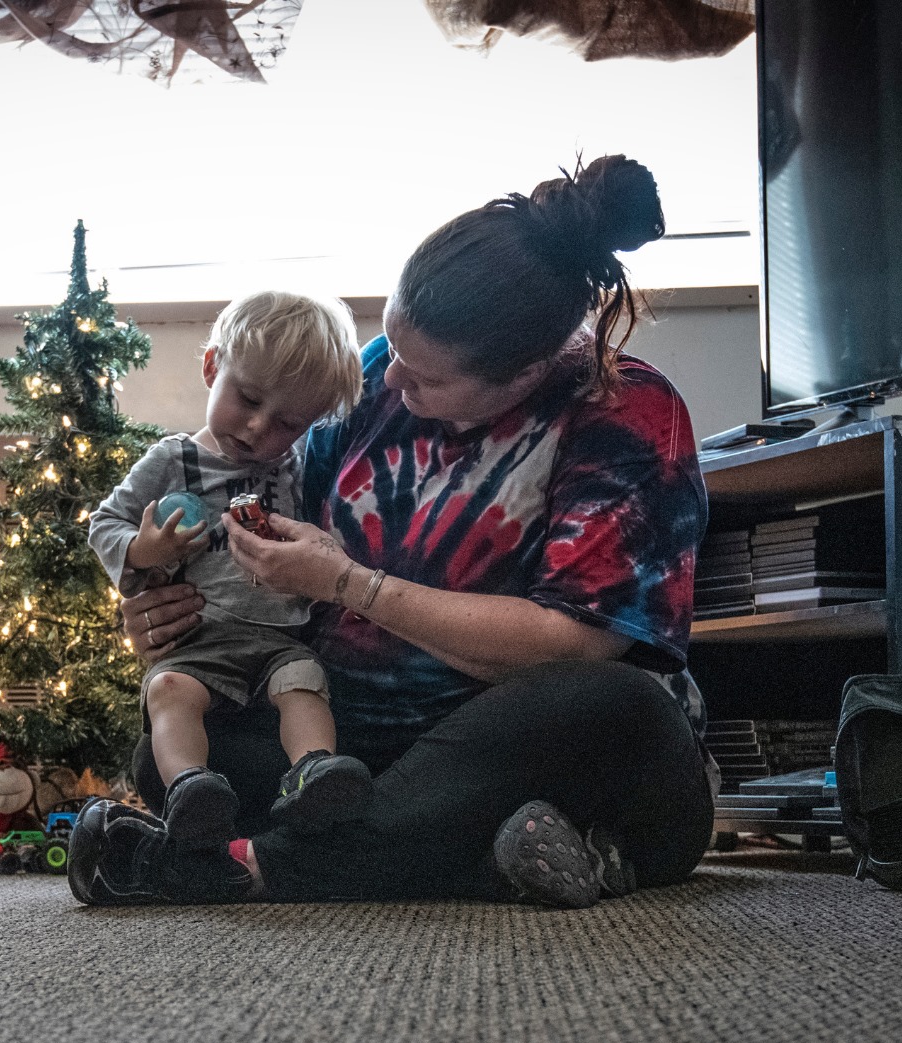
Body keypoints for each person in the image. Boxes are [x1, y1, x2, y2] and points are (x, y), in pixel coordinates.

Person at [68, 154, 718, 910]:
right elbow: (270, 534)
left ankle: (247, 869)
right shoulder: (379, 374)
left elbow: (572, 645)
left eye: (428, 378)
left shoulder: (629, 415)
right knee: (172, 747)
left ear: (526, 373)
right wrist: (163, 600)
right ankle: (472, 861)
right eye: (393, 347)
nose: (392, 382)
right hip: (352, 738)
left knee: (617, 705)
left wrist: (350, 585)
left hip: (506, 740)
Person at [87, 290, 373, 852]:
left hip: (279, 641)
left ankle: (313, 772)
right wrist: (143, 550)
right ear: (212, 367)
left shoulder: (295, 467)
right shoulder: (172, 460)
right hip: (200, 643)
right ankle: (190, 788)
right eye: (247, 398)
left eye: (288, 422)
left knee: (304, 684)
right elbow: (104, 524)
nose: (259, 428)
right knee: (169, 691)